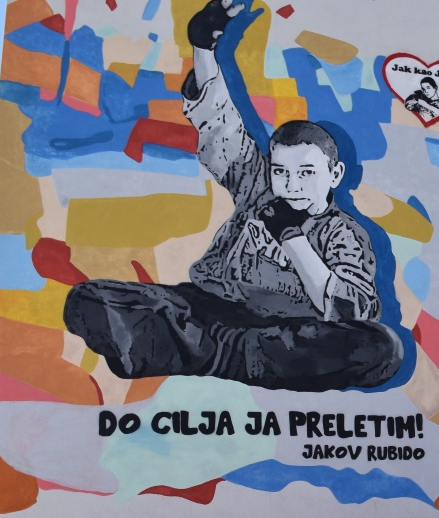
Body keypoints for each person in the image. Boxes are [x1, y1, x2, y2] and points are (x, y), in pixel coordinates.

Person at [63, 0, 404, 393]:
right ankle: (210, 350)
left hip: (283, 333)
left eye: (307, 173)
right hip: (205, 308)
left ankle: (207, 354)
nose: (291, 185)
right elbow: (220, 126)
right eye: (281, 171)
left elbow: (346, 311)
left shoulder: (344, 234)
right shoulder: (259, 188)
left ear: (335, 175)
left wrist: (292, 237)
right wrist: (203, 48)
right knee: (87, 299)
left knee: (381, 348)